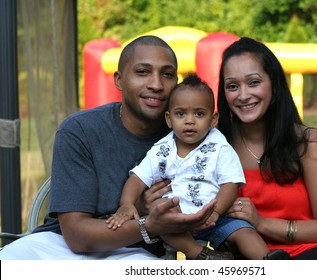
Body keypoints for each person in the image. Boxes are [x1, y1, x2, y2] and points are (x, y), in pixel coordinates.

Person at [0, 35, 217, 260]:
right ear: (119, 80)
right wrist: (146, 222)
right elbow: (75, 235)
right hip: (58, 246)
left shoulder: (192, 135)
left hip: (133, 252)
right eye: (142, 72)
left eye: (168, 74)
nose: (156, 84)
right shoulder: (80, 130)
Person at [106, 74, 281, 260]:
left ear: (213, 119)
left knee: (245, 231)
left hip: (215, 219)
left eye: (199, 114)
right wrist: (126, 203)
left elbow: (231, 184)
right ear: (169, 118)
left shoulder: (219, 147)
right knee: (160, 212)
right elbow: (137, 179)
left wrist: (215, 213)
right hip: (176, 221)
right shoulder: (162, 150)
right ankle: (200, 254)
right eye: (181, 114)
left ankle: (270, 263)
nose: (190, 120)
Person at [217, 37, 317, 260]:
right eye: (232, 86)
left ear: (274, 84)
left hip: (315, 251)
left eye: (253, 82)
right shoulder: (215, 146)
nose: (243, 95)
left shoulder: (306, 143)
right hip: (250, 259)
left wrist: (261, 223)